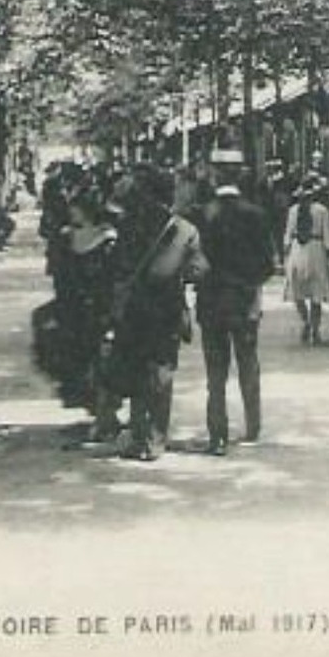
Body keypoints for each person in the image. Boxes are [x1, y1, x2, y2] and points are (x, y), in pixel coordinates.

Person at [106, 164, 206, 462]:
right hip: (167, 308)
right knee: (162, 371)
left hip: (135, 308)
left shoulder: (126, 225)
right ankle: (156, 437)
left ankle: (138, 434)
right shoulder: (185, 229)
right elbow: (198, 270)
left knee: (137, 367)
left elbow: (116, 266)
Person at [193, 150, 275, 455]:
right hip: (244, 302)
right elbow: (268, 264)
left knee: (215, 372)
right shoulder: (256, 214)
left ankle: (218, 435)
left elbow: (194, 263)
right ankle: (252, 427)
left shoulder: (201, 214)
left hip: (211, 302)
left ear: (214, 175)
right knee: (248, 363)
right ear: (241, 175)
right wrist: (250, 283)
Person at [54, 182, 121, 440]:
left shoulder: (69, 238)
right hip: (93, 309)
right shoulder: (108, 239)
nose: (72, 212)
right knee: (96, 361)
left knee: (97, 361)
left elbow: (60, 275)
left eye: (76, 208)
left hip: (84, 311)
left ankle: (104, 417)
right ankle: (101, 414)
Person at [282, 174, 329, 345]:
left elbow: (288, 235)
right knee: (316, 291)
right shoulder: (322, 211)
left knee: (297, 288)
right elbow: (327, 235)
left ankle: (305, 321)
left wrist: (286, 251)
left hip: (298, 248)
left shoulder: (293, 210)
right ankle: (315, 328)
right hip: (316, 249)